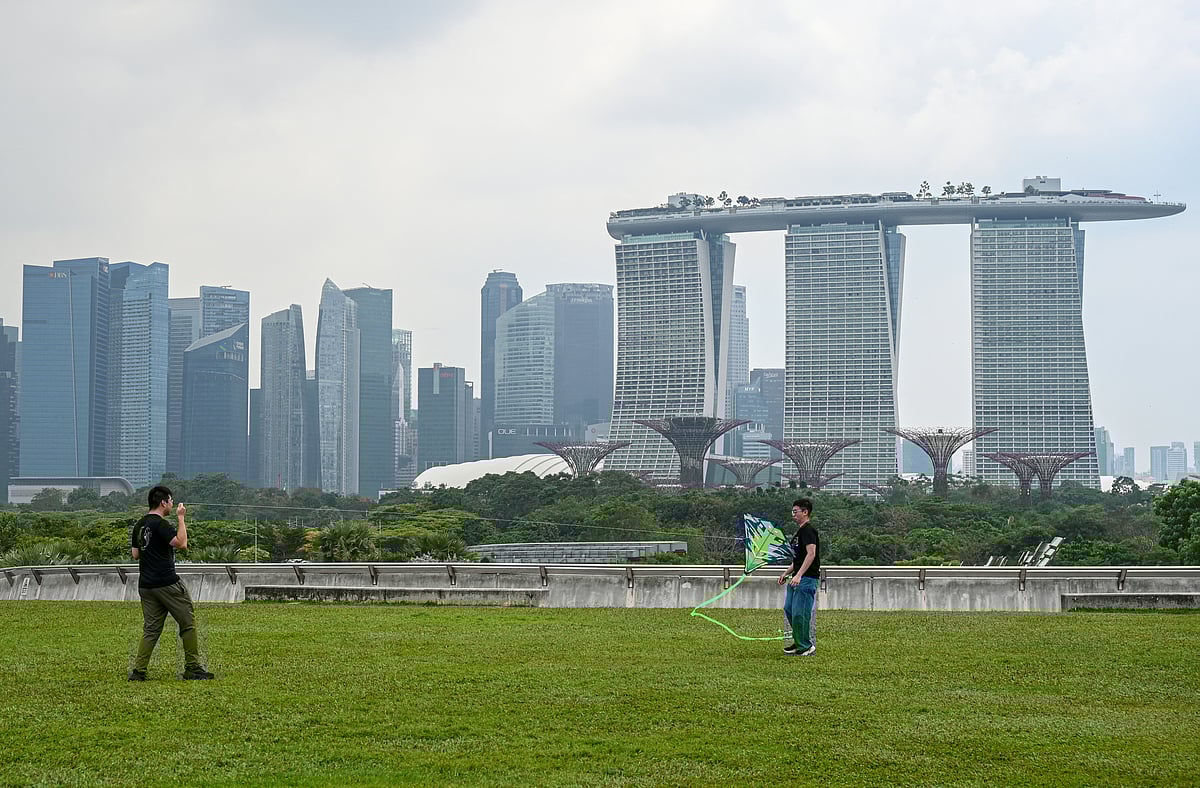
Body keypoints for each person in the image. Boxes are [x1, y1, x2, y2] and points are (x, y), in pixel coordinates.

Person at [128, 485, 214, 680]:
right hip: (167, 583)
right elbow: (182, 543)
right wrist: (181, 518)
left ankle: (138, 671)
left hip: (146, 585)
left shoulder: (139, 524)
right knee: (188, 623)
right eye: (171, 501)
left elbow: (135, 554)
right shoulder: (161, 524)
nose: (173, 504)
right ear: (163, 502)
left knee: (151, 628)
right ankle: (192, 667)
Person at [777, 498, 820, 656]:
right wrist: (786, 573)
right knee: (790, 609)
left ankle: (806, 646)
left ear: (805, 512)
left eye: (796, 511)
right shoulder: (799, 532)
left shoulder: (809, 530)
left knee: (800, 612)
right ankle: (799, 641)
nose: (793, 514)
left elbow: (811, 554)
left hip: (806, 578)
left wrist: (800, 575)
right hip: (796, 577)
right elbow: (798, 559)